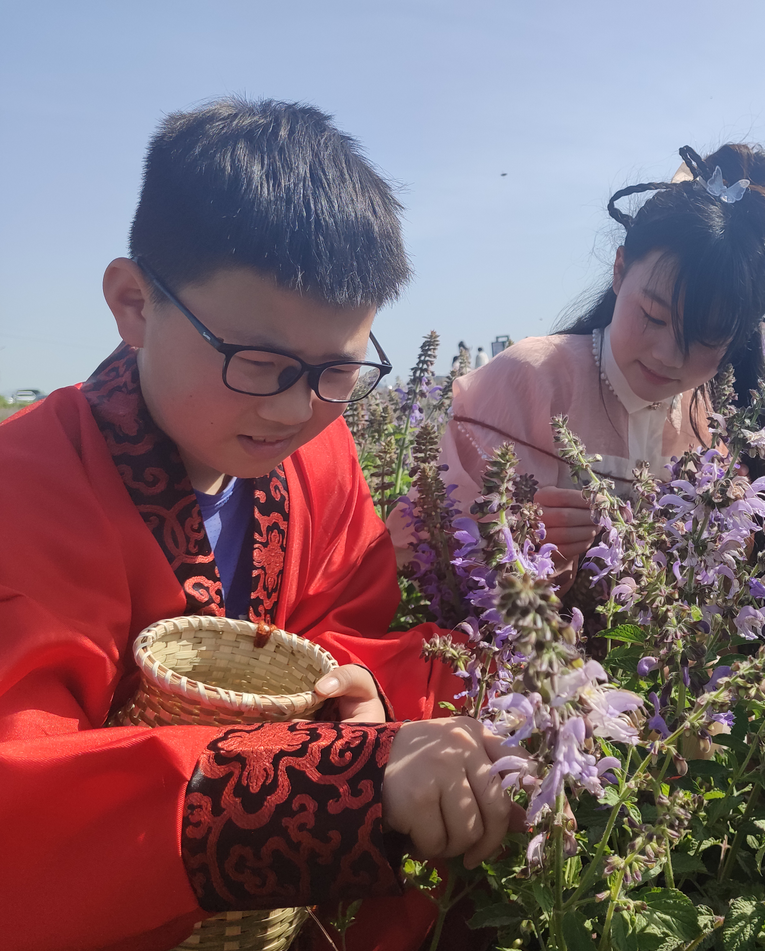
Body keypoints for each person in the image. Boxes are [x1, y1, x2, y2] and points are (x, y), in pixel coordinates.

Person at [0, 98, 520, 951]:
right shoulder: (24, 487)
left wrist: (369, 706)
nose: (294, 408)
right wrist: (328, 786)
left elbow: (344, 627)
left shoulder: (319, 456)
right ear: (134, 304)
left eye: (337, 369)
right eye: (260, 364)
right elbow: (28, 799)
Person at [390, 143, 765, 583]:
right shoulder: (528, 378)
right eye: (653, 317)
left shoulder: (705, 418)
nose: (667, 356)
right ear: (620, 269)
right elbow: (411, 545)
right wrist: (506, 536)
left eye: (706, 339)